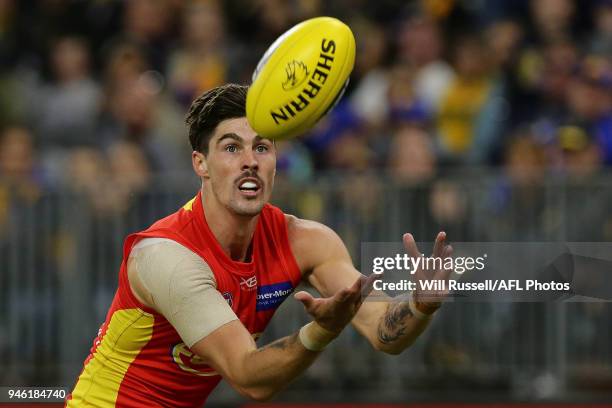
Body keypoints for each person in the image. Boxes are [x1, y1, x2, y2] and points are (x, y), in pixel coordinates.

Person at [66, 84, 452, 407]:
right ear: (201, 164)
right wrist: (322, 331)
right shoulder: (166, 256)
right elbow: (249, 376)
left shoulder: (306, 240)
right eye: (232, 148)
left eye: (262, 148)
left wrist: (420, 305)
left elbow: (385, 332)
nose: (250, 161)